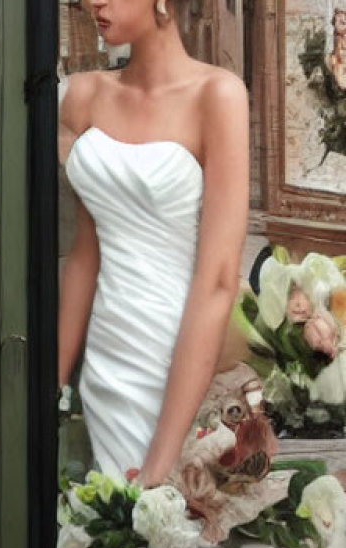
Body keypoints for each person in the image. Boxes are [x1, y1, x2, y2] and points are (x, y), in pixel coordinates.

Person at [57, 0, 249, 486]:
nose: (91, 1)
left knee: (169, 527)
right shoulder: (83, 96)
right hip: (106, 365)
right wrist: (50, 386)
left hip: (178, 357)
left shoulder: (218, 96)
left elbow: (220, 279)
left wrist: (162, 458)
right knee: (107, 527)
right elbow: (86, 252)